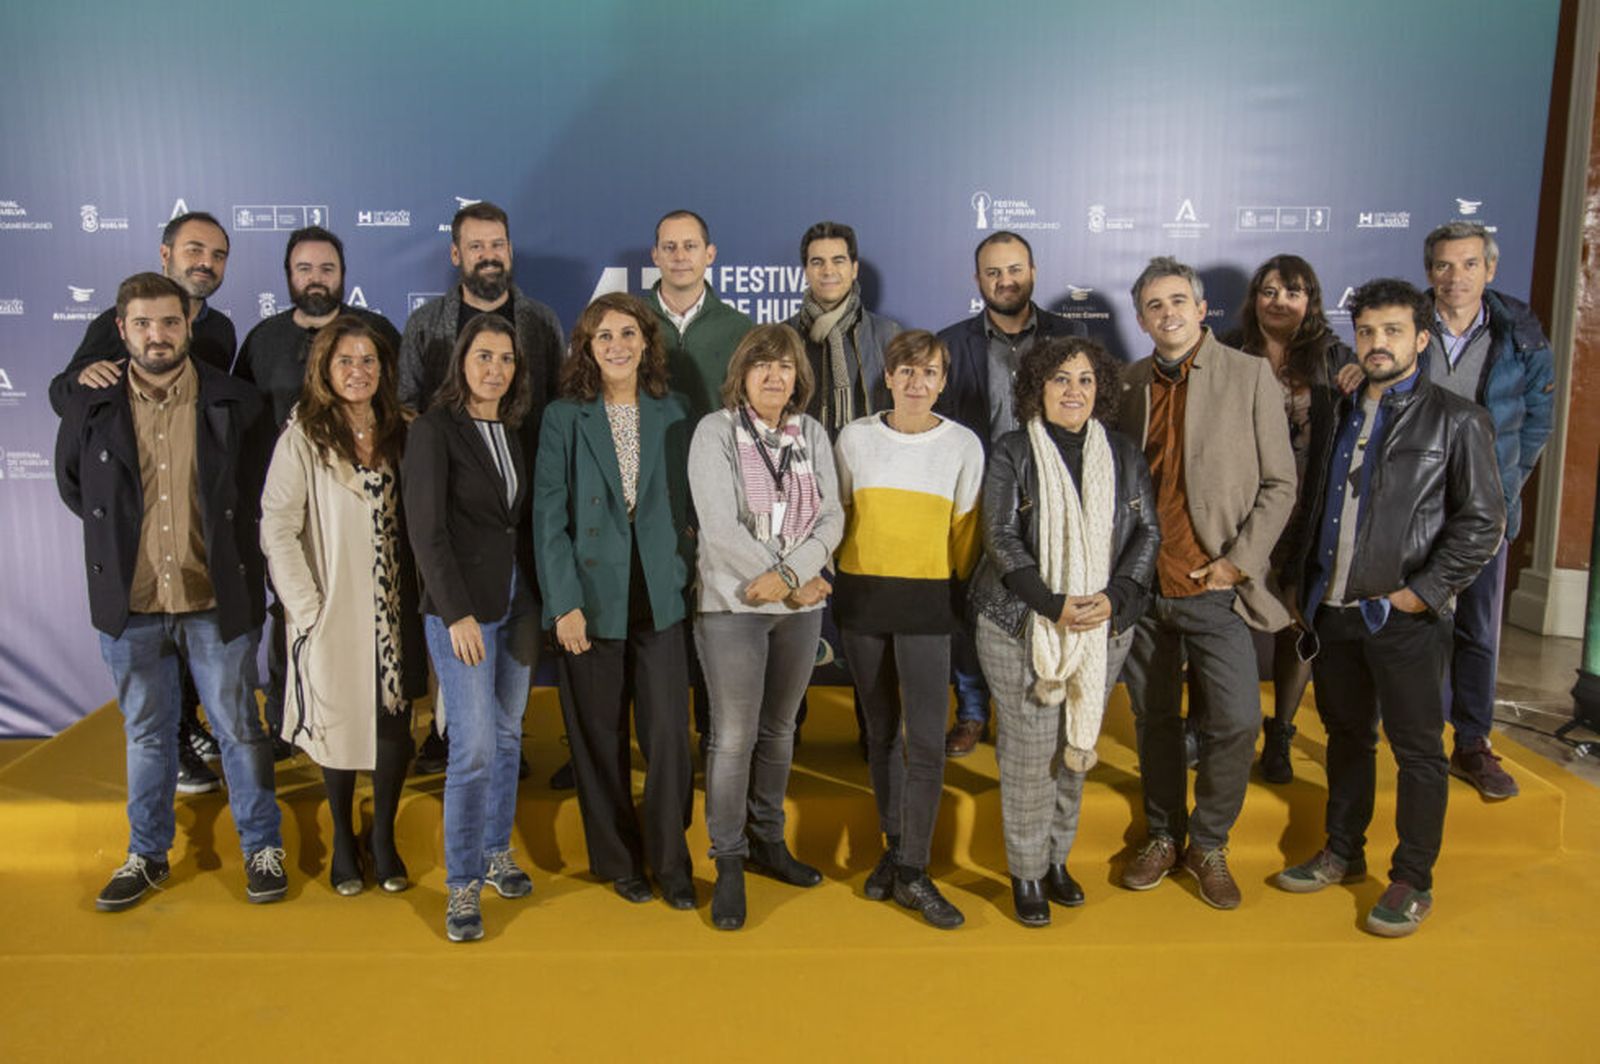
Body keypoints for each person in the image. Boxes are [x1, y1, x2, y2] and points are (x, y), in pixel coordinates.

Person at [1276, 278, 1504, 936]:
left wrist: (1421, 593)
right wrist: (1301, 585)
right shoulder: (1339, 409)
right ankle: (1343, 852)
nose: (1379, 344)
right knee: (1348, 738)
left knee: (1418, 752)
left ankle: (1412, 878)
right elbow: (1317, 501)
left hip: (1403, 617)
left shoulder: (1457, 420)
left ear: (1422, 339)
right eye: (1369, 331)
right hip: (1335, 611)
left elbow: (1482, 523)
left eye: (1394, 331)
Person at [55, 272, 284, 911]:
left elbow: (257, 493)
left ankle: (263, 847)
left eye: (170, 322)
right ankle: (147, 855)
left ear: (188, 325)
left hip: (215, 601)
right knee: (148, 735)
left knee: (240, 729)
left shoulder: (235, 403)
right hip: (131, 610)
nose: (158, 336)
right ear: (122, 330)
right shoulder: (90, 405)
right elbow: (77, 489)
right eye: (144, 324)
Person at [1115, 256, 1296, 910]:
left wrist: (1237, 562)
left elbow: (1281, 484)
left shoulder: (1249, 378)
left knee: (1238, 719)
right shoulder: (1127, 383)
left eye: (1178, 301)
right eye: (1154, 306)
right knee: (1155, 719)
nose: (1168, 314)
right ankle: (1164, 834)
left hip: (1216, 585)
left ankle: (1210, 841)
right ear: (1140, 318)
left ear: (1201, 308)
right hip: (1145, 588)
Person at [969, 336, 1160, 926]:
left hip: (1102, 626)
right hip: (1021, 623)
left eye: (1084, 379)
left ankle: (1057, 859)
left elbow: (1147, 534)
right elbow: (999, 539)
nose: (1073, 391)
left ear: (1099, 389)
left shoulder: (1125, 453)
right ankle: (1026, 871)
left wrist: (1116, 596)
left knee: (1075, 749)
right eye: (1059, 379)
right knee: (1029, 756)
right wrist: (1052, 605)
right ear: (1036, 389)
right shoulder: (1010, 451)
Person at [50, 211, 238, 794]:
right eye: (193, 250)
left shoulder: (224, 329)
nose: (204, 262)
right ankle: (177, 739)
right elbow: (66, 394)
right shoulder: (122, 322)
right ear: (165, 254)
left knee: (193, 632)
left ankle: (191, 725)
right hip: (136, 524)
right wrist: (122, 518)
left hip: (194, 521)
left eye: (216, 254)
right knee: (154, 649)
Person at [533, 293, 697, 910]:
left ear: (648, 343)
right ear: (587, 346)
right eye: (604, 336)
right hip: (589, 601)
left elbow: (688, 503)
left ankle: (670, 861)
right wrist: (562, 603)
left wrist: (685, 566)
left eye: (629, 333)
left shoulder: (675, 410)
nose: (618, 345)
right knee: (598, 741)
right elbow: (549, 518)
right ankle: (620, 862)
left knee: (666, 738)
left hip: (659, 595)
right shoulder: (562, 418)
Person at [259, 315, 426, 896]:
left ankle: (382, 836)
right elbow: (278, 528)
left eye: (369, 362)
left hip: (397, 607)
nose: (358, 372)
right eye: (346, 362)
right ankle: (342, 834)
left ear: (384, 370)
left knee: (392, 723)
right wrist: (305, 608)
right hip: (332, 607)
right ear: (325, 370)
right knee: (334, 724)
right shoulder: (303, 435)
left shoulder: (406, 428)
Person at [397, 201, 562, 777]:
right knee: (459, 628)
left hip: (523, 504)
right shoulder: (426, 326)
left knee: (514, 643)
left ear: (509, 251)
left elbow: (555, 411)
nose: (488, 256)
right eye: (476, 246)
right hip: (455, 508)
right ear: (456, 255)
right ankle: (452, 736)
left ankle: (492, 749)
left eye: (497, 245)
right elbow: (409, 411)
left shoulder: (540, 322)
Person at [688, 323, 844, 930]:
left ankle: (767, 843)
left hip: (801, 610)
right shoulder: (715, 431)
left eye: (784, 366)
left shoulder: (810, 432)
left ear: (797, 376)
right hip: (734, 604)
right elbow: (720, 528)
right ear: (742, 375)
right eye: (761, 366)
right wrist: (787, 577)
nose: (774, 376)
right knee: (733, 736)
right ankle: (727, 860)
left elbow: (831, 514)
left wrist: (798, 576)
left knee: (779, 731)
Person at [832, 330, 985, 929]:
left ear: (943, 381)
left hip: (927, 605)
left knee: (925, 739)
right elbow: (837, 517)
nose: (917, 383)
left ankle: (916, 873)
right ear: (888, 378)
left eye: (929, 373)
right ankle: (895, 849)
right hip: (863, 600)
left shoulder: (963, 446)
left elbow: (966, 536)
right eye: (906, 372)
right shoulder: (854, 439)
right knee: (880, 734)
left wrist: (942, 585)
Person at [238, 226, 402, 761]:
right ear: (289, 275)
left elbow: (400, 408)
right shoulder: (262, 342)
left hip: (363, 519)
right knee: (296, 621)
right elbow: (243, 429)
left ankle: (375, 725)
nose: (316, 278)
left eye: (327, 268)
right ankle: (294, 726)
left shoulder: (376, 331)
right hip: (294, 512)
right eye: (305, 268)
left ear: (342, 276)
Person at [402, 314, 540, 942]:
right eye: (484, 356)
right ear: (462, 361)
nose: (496, 369)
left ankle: (493, 852)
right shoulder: (434, 430)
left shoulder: (514, 430)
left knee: (509, 737)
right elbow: (425, 531)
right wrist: (455, 611)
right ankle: (461, 885)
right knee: (474, 748)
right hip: (462, 612)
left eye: (506, 359)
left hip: (517, 606)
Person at [936, 230, 1088, 759]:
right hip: (977, 499)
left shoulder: (1071, 339)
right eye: (993, 272)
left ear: (1034, 272)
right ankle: (974, 711)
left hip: (1056, 500)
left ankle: (1053, 702)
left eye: (1014, 269)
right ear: (978, 280)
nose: (1005, 281)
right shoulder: (952, 345)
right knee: (969, 608)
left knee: (1051, 601)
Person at [1418, 222, 1555, 800]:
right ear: (1430, 272)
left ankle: (1472, 742)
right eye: (1445, 266)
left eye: (1469, 264)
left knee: (1477, 630)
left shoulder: (1521, 333)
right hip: (1413, 506)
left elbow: (1538, 421)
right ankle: (1409, 735)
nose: (1456, 278)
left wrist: (1501, 488)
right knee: (1407, 627)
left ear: (1490, 270)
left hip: (1484, 509)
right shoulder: (1405, 320)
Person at [1222, 254, 1353, 784]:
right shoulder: (1227, 350)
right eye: (1270, 291)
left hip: (1308, 510)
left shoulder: (1335, 357)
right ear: (1255, 299)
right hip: (1240, 509)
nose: (1279, 302)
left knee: (1297, 619)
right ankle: (1215, 725)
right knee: (1224, 616)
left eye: (1292, 292)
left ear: (1311, 301)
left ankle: (1280, 734)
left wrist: (1361, 375)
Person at [640, 209, 754, 758]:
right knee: (648, 623)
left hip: (719, 502)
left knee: (715, 621)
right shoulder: (627, 322)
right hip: (642, 497)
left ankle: (717, 740)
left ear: (710, 254)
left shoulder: (740, 329)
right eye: (669, 246)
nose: (680, 256)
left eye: (691, 246)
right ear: (655, 256)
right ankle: (653, 746)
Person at [785, 220, 901, 437]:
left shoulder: (888, 335)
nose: (828, 270)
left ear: (854, 269)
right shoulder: (784, 336)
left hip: (868, 463)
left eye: (838, 261)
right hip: (800, 464)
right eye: (817, 262)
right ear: (806, 272)